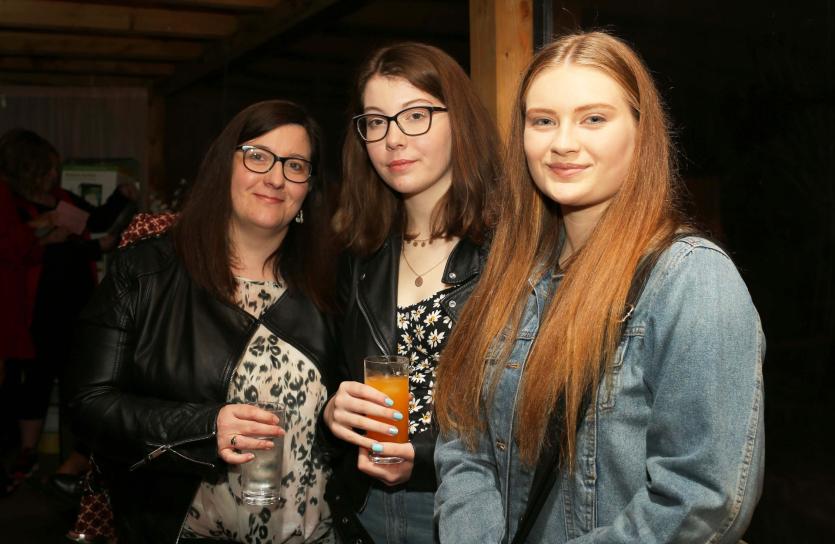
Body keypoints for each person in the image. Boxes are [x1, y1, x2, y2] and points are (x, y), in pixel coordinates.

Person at [434, 31, 765, 543]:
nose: (563, 142)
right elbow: (464, 440)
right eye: (543, 121)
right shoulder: (512, 273)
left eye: (593, 118)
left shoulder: (692, 280)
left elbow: (699, 500)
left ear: (640, 132)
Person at [69, 100, 340, 543]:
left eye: (295, 165)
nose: (275, 178)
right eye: (257, 156)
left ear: (310, 187)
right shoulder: (146, 272)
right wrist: (204, 428)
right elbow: (88, 404)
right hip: (186, 531)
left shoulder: (333, 285)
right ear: (224, 166)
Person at [322, 42, 502, 543]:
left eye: (415, 115)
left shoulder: (512, 251)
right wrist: (332, 411)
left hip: (472, 511)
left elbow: (532, 411)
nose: (393, 140)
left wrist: (423, 461)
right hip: (366, 510)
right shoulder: (359, 256)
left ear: (459, 121)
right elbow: (337, 375)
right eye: (376, 122)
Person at [0, 128, 135, 494]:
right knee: (37, 382)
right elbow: (12, 248)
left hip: (77, 306)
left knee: (79, 384)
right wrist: (44, 232)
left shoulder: (60, 197)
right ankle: (28, 455)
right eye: (47, 168)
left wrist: (121, 198)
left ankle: (75, 461)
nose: (53, 175)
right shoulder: (11, 202)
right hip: (37, 311)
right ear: (28, 169)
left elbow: (95, 222)